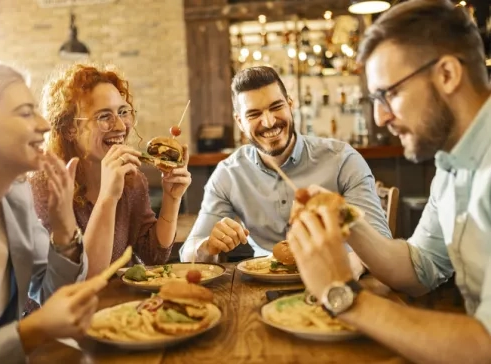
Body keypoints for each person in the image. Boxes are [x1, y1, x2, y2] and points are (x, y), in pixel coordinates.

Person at [287, 1, 491, 363]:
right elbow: (418, 269)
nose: (380, 118)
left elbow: (484, 346)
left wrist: (342, 293)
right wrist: (346, 219)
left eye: (389, 94)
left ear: (447, 74)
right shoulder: (451, 164)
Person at [0, 62, 107, 363]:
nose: (45, 124)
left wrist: (63, 229)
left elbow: (53, 296)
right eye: (24, 112)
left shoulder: (15, 198)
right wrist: (30, 332)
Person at [180, 66, 391, 273]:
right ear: (240, 122)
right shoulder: (229, 173)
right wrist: (208, 246)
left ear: (290, 104)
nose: (269, 122)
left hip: (339, 274)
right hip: (261, 286)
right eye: (254, 114)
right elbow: (188, 253)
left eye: (276, 107)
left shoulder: (343, 159)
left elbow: (381, 241)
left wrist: (346, 271)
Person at [30, 64, 191, 278]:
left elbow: (154, 256)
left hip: (119, 304)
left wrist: (172, 199)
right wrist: (108, 196)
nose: (121, 126)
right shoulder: (43, 186)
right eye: (104, 116)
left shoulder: (132, 179)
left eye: (123, 112)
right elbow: (79, 280)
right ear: (70, 128)